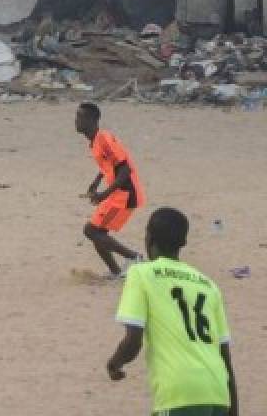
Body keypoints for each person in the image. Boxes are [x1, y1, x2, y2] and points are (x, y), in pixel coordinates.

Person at [107, 207, 238, 416]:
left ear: (148, 238)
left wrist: (114, 363)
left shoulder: (142, 273)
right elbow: (225, 358)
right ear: (183, 243)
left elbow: (133, 340)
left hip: (179, 393)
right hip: (218, 393)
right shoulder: (208, 284)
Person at [76, 103, 145, 277]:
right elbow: (109, 164)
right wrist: (96, 182)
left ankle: (135, 257)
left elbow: (125, 169)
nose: (76, 121)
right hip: (116, 193)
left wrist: (103, 194)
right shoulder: (94, 142)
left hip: (125, 194)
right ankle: (116, 272)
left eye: (80, 117)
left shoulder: (104, 138)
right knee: (96, 232)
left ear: (92, 120)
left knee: (91, 231)